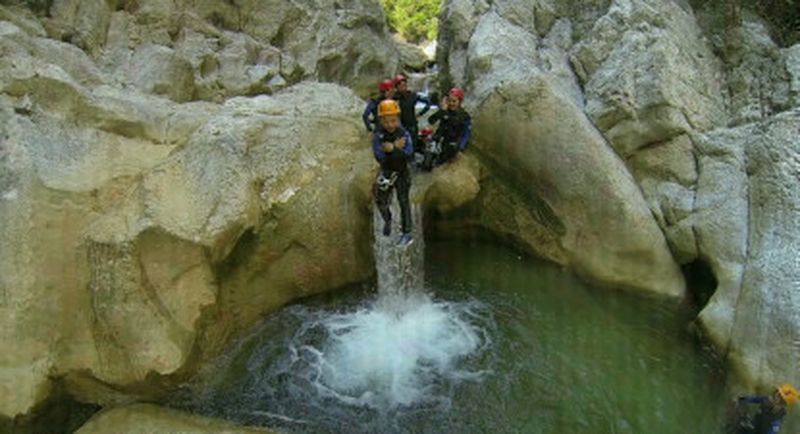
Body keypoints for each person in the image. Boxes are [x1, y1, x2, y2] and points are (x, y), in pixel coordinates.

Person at [372, 99, 414, 246]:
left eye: (393, 121)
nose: (390, 125)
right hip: (387, 172)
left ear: (398, 119)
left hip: (401, 172)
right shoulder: (378, 136)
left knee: (404, 201)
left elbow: (409, 155)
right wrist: (395, 149)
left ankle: (407, 232)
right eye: (386, 121)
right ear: (381, 121)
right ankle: (388, 220)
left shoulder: (404, 134)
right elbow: (379, 157)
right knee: (380, 201)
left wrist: (393, 149)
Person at [428, 87, 471, 166]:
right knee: (427, 164)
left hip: (452, 144)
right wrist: (442, 111)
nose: (451, 103)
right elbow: (431, 121)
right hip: (440, 141)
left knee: (446, 164)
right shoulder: (444, 111)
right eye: (449, 101)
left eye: (454, 101)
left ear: (460, 102)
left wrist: (461, 149)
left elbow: (466, 134)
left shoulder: (464, 116)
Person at [731, 384, 799, 434]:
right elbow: (754, 399)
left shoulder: (776, 422)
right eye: (776, 393)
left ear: (783, 405)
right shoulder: (766, 400)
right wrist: (740, 399)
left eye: (779, 398)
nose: (774, 397)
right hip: (751, 426)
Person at [393, 74, 431, 154]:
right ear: (396, 87)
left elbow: (428, 103)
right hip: (400, 126)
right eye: (400, 85)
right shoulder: (394, 98)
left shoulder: (412, 95)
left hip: (412, 125)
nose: (402, 86)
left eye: (404, 84)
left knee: (413, 144)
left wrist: (420, 114)